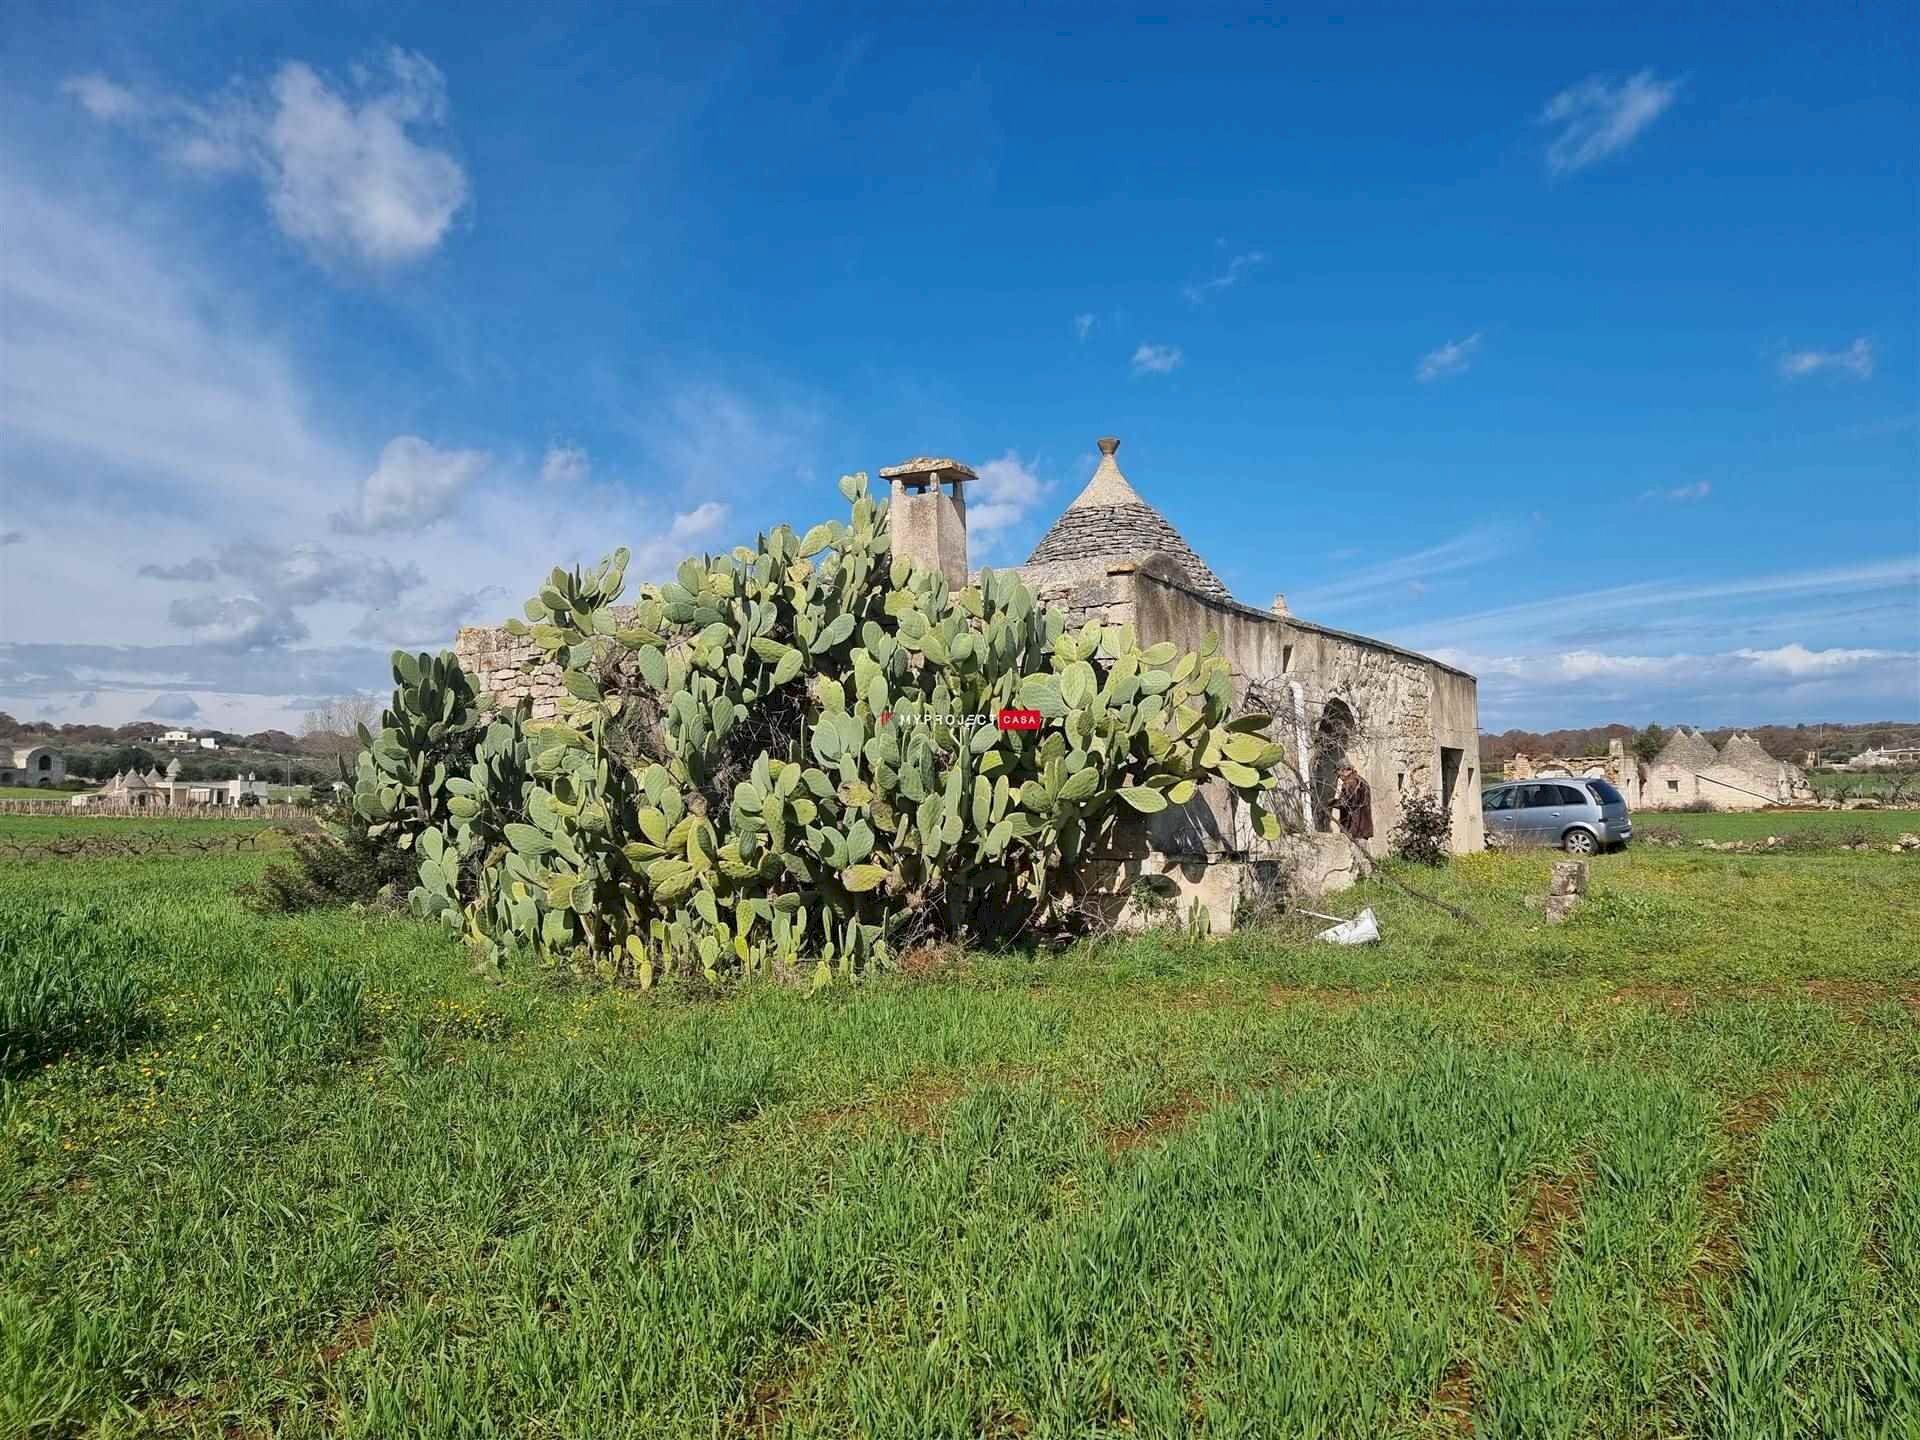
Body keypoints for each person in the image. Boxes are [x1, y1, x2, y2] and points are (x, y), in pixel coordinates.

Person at [1333, 763, 1373, 841]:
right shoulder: (1360, 781)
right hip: (1361, 829)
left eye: (1338, 773)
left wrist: (1331, 803)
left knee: (1355, 851)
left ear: (1345, 770)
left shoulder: (1351, 783)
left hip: (1354, 829)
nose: (1338, 776)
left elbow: (1347, 803)